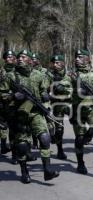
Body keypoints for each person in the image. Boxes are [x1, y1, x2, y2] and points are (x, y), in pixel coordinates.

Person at [0, 49, 59, 183]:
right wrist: (12, 96)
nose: (20, 59)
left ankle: (47, 170)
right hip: (19, 113)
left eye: (24, 57)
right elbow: (2, 94)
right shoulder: (10, 76)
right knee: (22, 145)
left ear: (29, 60)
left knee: (44, 138)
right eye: (19, 57)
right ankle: (24, 172)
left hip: (36, 112)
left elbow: (44, 90)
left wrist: (45, 95)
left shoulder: (38, 75)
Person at [45, 54, 72, 159]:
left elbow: (76, 88)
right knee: (59, 129)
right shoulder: (49, 75)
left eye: (58, 63)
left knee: (79, 121)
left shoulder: (69, 75)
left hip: (69, 104)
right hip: (56, 105)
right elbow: (44, 89)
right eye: (54, 63)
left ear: (63, 63)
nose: (55, 65)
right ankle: (60, 150)